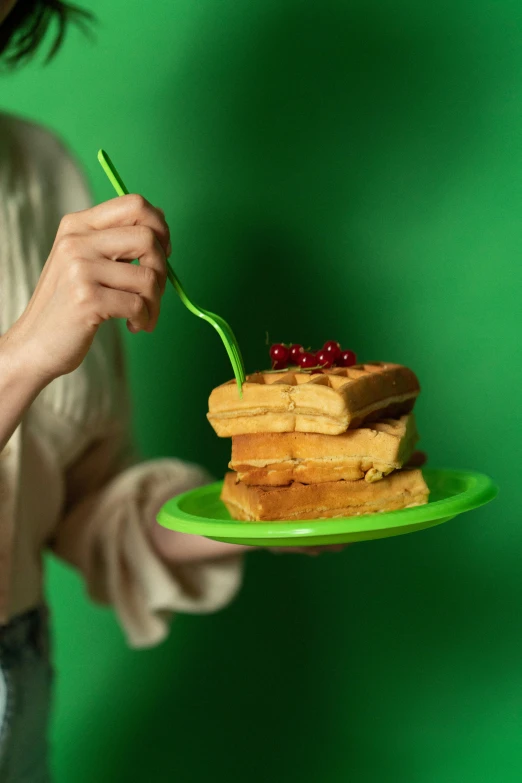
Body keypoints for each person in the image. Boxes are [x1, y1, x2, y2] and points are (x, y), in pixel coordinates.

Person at [0, 2, 346, 780]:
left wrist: (266, 515)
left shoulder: (42, 172)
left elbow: (87, 504)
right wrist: (22, 356)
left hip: (19, 682)